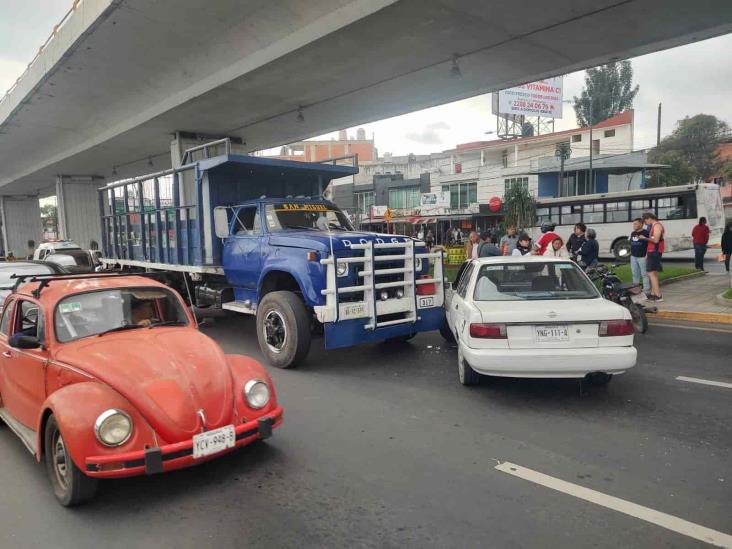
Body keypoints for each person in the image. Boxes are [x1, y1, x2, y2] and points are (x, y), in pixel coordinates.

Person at [639, 212, 665, 301]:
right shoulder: (654, 225)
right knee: (653, 273)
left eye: (645, 221)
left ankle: (658, 296)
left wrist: (644, 238)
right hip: (652, 251)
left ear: (649, 218)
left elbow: (656, 240)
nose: (646, 223)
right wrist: (647, 254)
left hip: (655, 251)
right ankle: (654, 294)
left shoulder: (657, 225)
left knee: (651, 273)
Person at [629, 218, 650, 295]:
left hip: (642, 257)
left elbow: (649, 244)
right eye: (633, 223)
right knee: (634, 273)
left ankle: (646, 290)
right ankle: (636, 288)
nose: (634, 225)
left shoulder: (646, 233)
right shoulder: (633, 233)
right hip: (633, 256)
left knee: (644, 274)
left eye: (635, 223)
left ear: (641, 224)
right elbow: (631, 243)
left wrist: (647, 255)